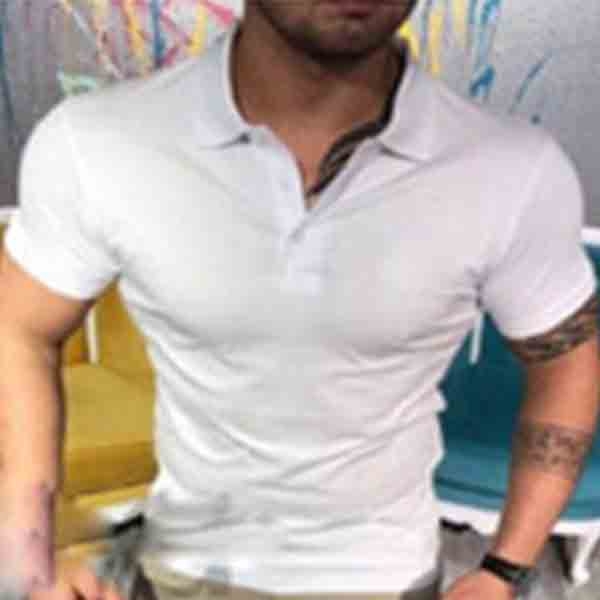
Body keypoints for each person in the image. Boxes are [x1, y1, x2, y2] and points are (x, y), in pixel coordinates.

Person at [0, 0, 598, 599]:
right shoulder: (98, 143)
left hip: (389, 576)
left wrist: (504, 570)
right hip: (184, 569)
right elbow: (19, 327)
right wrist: (31, 557)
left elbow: (567, 362)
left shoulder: (511, 171)